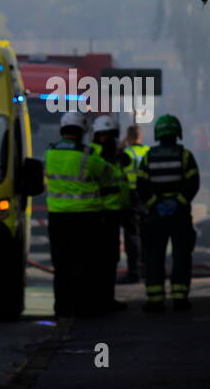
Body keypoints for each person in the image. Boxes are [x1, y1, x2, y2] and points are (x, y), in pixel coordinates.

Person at [45, 111, 108, 318]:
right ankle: (82, 308)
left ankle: (61, 308)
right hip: (86, 218)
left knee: (61, 266)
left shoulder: (50, 153)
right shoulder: (88, 155)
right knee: (83, 264)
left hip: (57, 218)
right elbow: (107, 176)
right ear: (81, 131)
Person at [135, 114, 199, 312]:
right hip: (179, 214)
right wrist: (178, 202)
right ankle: (180, 298)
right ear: (177, 133)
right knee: (181, 255)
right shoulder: (185, 155)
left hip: (156, 216)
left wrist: (155, 204)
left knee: (154, 256)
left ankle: (155, 300)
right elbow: (193, 183)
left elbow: (141, 185)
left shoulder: (148, 156)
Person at [90, 114, 129, 312]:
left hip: (115, 213)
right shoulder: (93, 155)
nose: (107, 139)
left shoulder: (117, 156)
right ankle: (98, 299)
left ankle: (107, 298)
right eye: (104, 135)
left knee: (111, 258)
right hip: (98, 213)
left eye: (110, 135)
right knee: (99, 259)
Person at [120, 124, 148, 281]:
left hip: (131, 196)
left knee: (132, 236)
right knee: (146, 235)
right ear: (141, 136)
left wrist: (124, 142)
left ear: (129, 137)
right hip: (146, 197)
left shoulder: (127, 153)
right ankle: (146, 268)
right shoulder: (148, 152)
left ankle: (134, 271)